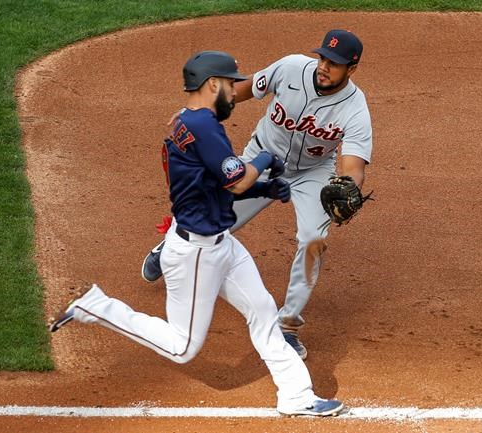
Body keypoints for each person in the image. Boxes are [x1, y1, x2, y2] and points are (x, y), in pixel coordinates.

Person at [49, 50, 344, 417]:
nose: (236, 91)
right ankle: (95, 306)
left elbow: (216, 184)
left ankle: (297, 395)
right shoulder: (203, 127)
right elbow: (236, 179)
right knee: (182, 346)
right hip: (195, 254)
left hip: (221, 244)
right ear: (212, 84)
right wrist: (265, 160)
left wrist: (264, 190)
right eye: (231, 83)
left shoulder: (189, 123)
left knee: (263, 311)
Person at [142, 30, 373, 360]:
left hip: (314, 172)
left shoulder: (355, 108)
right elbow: (245, 87)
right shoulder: (291, 68)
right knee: (221, 213)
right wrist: (195, 110)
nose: (324, 67)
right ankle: (170, 246)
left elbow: (352, 164)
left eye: (334, 64)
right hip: (262, 156)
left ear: (351, 69)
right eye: (322, 58)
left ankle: (288, 326)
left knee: (312, 240)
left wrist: (348, 183)